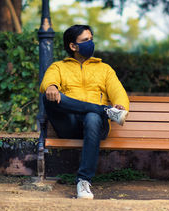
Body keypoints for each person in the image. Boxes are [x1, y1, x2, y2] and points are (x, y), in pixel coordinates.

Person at [40, 24, 130, 199]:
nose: (91, 43)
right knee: (48, 96)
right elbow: (48, 81)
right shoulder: (58, 67)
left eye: (91, 39)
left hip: (96, 125)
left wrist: (120, 106)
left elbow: (118, 91)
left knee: (92, 117)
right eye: (85, 40)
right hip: (69, 124)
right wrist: (51, 86)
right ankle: (105, 111)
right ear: (73, 46)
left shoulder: (104, 69)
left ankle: (83, 181)